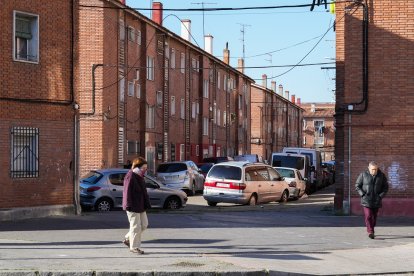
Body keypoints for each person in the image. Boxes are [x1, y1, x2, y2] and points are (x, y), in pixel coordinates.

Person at [122, 157, 151, 254]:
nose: (145, 170)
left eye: (146, 168)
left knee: (144, 224)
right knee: (135, 227)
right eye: (144, 168)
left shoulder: (139, 176)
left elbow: (143, 192)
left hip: (141, 205)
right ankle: (134, 247)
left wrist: (147, 203)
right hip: (132, 205)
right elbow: (127, 192)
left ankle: (127, 238)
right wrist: (128, 205)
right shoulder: (130, 176)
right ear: (137, 167)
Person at [355, 161, 389, 239]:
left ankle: (372, 229)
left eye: (376, 169)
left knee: (374, 217)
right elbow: (357, 186)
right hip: (366, 200)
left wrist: (380, 196)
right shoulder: (363, 175)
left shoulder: (381, 176)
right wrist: (363, 194)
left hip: (376, 200)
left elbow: (385, 187)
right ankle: (370, 231)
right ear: (369, 168)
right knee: (368, 215)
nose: (374, 171)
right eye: (373, 169)